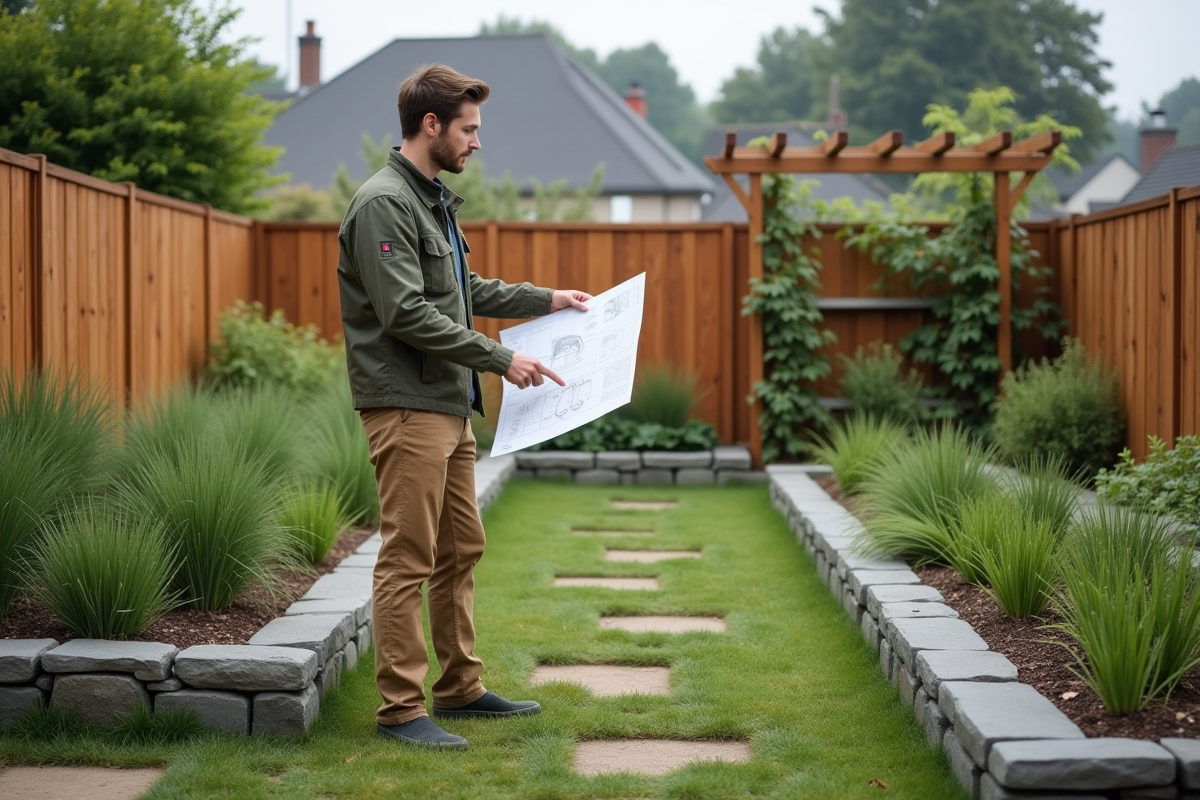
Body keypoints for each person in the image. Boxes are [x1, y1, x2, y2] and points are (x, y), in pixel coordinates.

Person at [336, 63, 592, 749]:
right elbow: (404, 312)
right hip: (407, 404)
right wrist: (502, 357)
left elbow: (462, 287)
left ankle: (459, 686)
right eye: (469, 130)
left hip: (448, 404)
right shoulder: (384, 202)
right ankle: (399, 709)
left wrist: (547, 300)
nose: (477, 143)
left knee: (460, 549)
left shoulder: (430, 199)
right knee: (409, 556)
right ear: (431, 125)